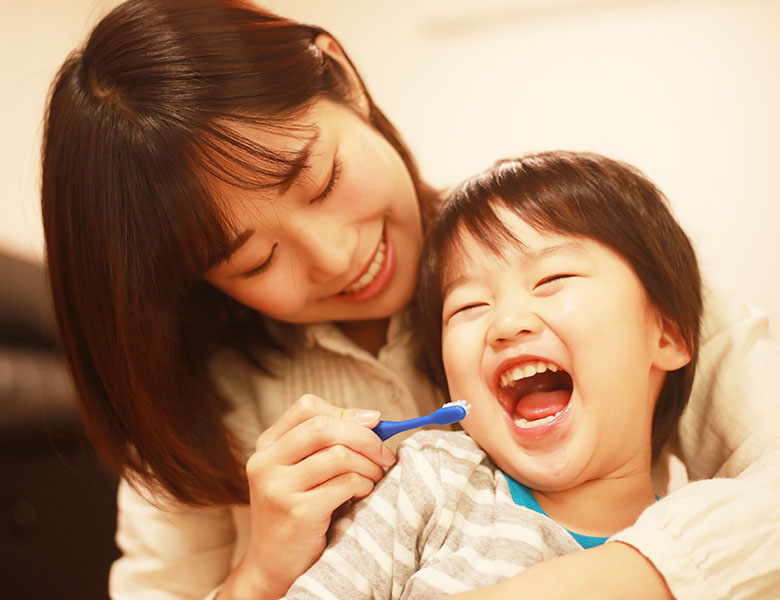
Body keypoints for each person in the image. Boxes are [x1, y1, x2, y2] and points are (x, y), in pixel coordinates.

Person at [39, 1, 779, 599]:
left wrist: (610, 577)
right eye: (256, 259)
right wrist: (259, 574)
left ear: (342, 80)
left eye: (320, 179)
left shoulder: (594, 255)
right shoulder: (198, 398)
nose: (336, 258)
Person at [282, 150, 702, 598]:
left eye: (551, 279)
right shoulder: (432, 478)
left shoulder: (703, 542)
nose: (504, 324)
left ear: (667, 336)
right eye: (469, 307)